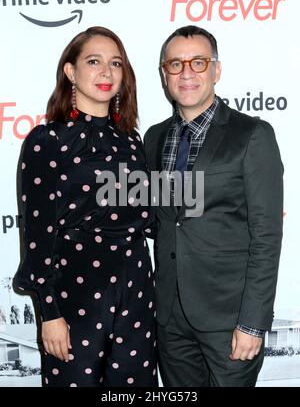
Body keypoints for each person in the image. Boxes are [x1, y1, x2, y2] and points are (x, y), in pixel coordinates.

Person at [15, 26, 157, 387]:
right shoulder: (47, 140)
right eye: (93, 61)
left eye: (115, 63)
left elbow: (150, 217)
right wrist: (49, 313)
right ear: (70, 71)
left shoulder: (131, 140)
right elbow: (37, 233)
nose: (106, 72)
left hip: (137, 286)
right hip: (75, 292)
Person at [144, 25, 283, 387]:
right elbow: (161, 221)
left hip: (230, 320)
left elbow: (266, 237)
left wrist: (253, 323)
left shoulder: (252, 134)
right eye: (175, 64)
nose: (187, 72)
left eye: (199, 62)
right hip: (170, 319)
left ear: (216, 70)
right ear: (164, 74)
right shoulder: (154, 137)